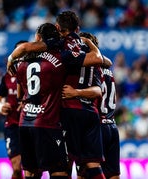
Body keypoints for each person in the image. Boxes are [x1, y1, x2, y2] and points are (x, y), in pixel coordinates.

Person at [14, 22, 101, 179]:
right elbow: (98, 60)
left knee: (31, 172)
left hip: (24, 122)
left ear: (39, 38)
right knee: (59, 170)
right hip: (47, 122)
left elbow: (20, 94)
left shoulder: (21, 63)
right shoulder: (61, 58)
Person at [62, 32, 121, 179]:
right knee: (113, 174)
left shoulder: (90, 69)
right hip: (112, 125)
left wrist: (75, 92)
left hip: (96, 125)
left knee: (84, 171)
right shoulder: (107, 70)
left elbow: (97, 92)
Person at [0, 40, 28, 179]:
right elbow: (0, 96)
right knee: (16, 167)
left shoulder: (37, 72)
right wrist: (0, 106)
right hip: (12, 125)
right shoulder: (7, 76)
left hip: (31, 125)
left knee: (31, 169)